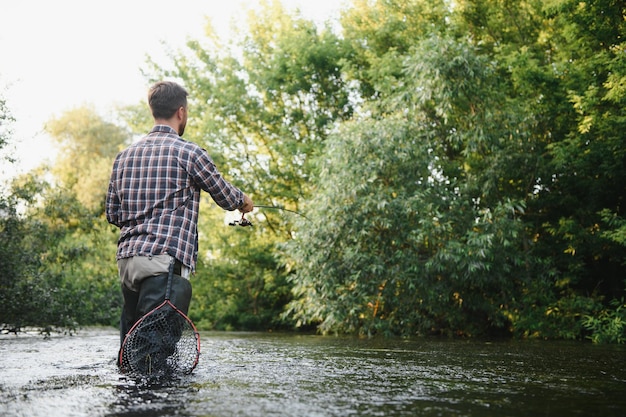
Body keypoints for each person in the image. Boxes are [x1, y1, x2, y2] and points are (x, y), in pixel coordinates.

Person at [105, 80, 253, 358]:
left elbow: (113, 214)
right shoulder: (189, 153)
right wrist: (244, 201)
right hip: (163, 262)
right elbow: (225, 197)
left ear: (153, 111)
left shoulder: (123, 157)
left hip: (127, 265)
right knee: (153, 356)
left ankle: (130, 400)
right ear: (181, 113)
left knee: (131, 351)